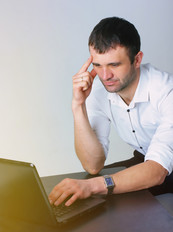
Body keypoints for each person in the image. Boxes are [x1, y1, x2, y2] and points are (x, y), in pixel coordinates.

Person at [49, 17, 173, 207]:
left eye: (114, 65)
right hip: (145, 159)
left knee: (97, 189)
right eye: (97, 65)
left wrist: (94, 186)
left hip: (160, 168)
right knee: (74, 193)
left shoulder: (166, 91)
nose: (105, 76)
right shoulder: (99, 90)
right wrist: (78, 105)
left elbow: (157, 171)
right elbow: (93, 165)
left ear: (137, 59)